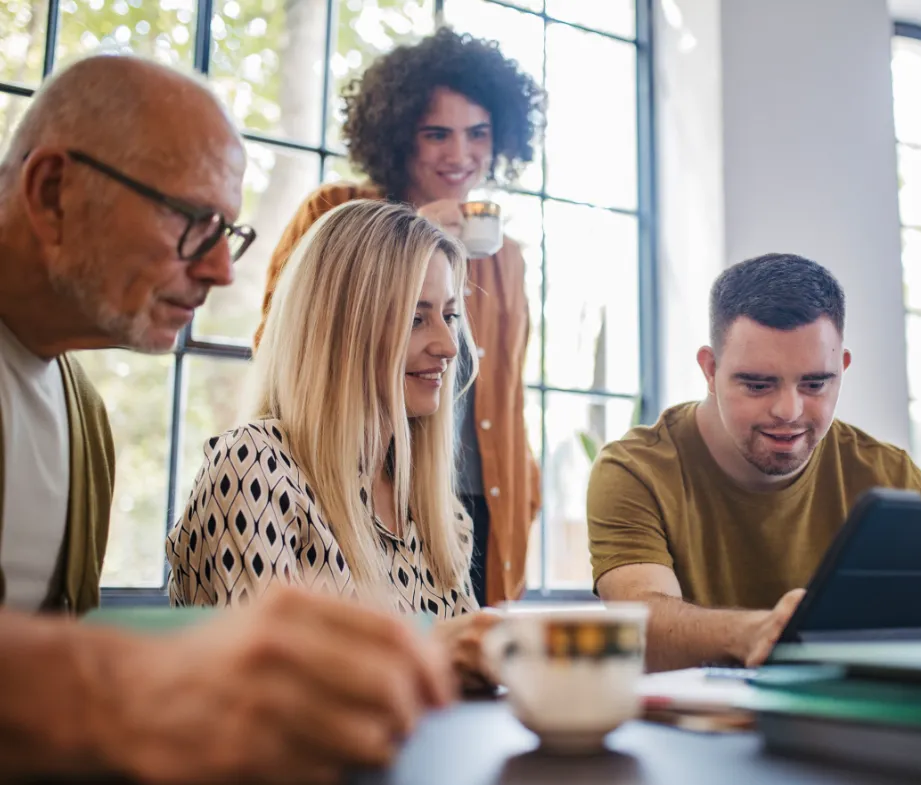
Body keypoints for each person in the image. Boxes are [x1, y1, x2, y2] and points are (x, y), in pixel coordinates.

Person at [0, 55, 453, 782]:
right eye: (192, 220)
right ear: (53, 191)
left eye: (228, 232)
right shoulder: (258, 465)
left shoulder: (81, 415)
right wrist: (134, 680)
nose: (220, 270)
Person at [588, 254, 921, 672]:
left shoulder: (889, 474)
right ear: (710, 370)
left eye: (815, 383)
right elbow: (639, 627)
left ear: (841, 368)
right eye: (756, 384)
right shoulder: (635, 470)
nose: (788, 410)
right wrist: (755, 632)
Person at [258, 27, 544, 607]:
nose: (460, 155)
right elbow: (278, 346)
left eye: (478, 134)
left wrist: (525, 493)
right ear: (397, 137)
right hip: (352, 484)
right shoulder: (334, 212)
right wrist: (413, 239)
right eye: (436, 133)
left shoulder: (503, 256)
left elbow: (506, 396)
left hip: (473, 499)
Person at [168, 200, 499, 685]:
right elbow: (258, 689)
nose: (449, 347)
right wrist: (430, 649)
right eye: (415, 319)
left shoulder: (438, 511)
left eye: (449, 316)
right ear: (340, 329)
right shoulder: (255, 465)